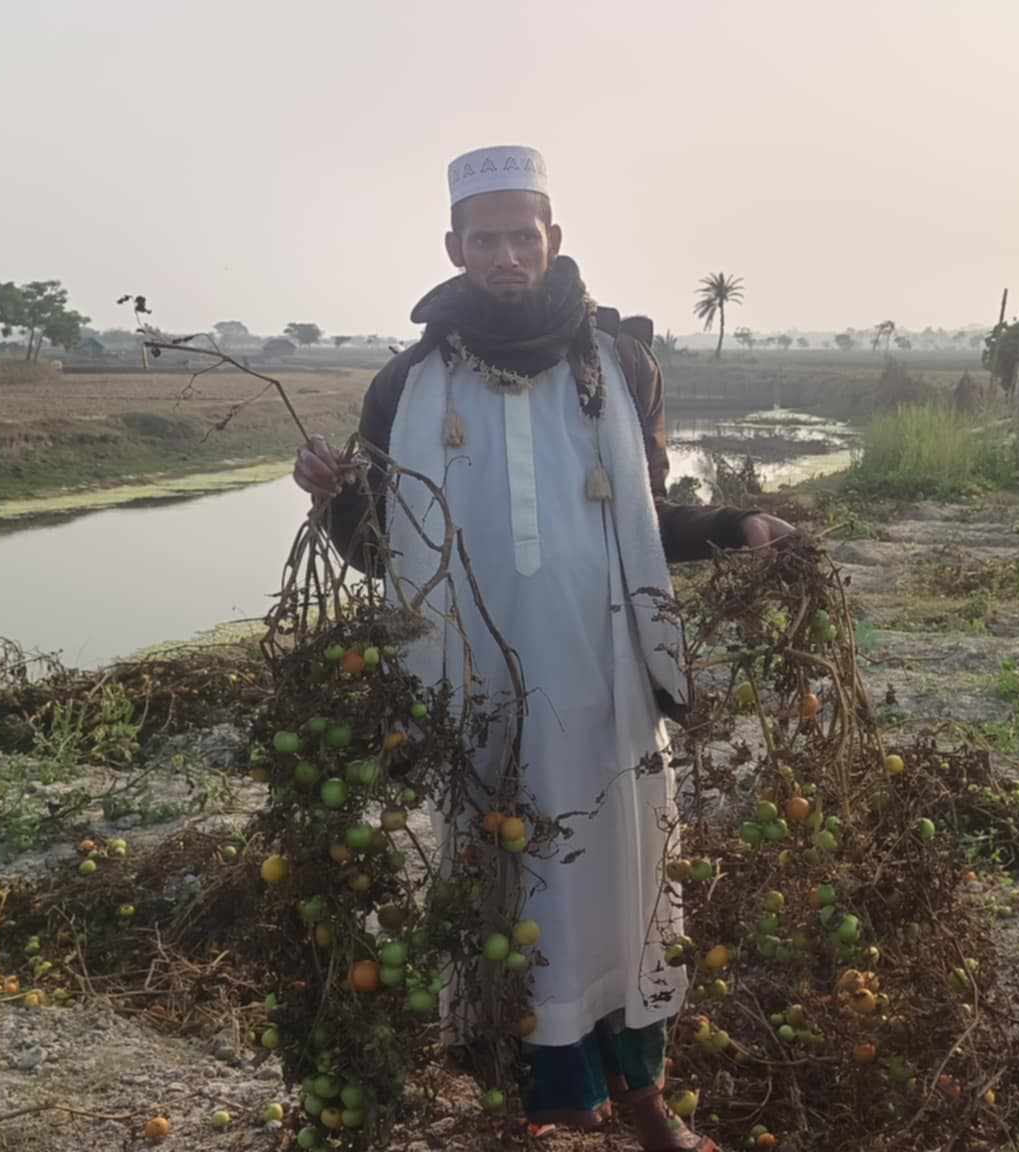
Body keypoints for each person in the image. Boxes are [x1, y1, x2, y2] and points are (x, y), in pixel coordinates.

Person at [293, 145, 790, 1152]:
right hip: (480, 692)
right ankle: (530, 1110)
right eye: (487, 239)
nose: (509, 256)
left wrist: (735, 527)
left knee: (621, 888)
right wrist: (334, 496)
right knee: (497, 885)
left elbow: (648, 521)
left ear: (553, 239)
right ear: (454, 247)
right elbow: (383, 555)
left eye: (525, 236)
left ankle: (643, 1103)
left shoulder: (619, 366)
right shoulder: (406, 386)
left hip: (602, 692)